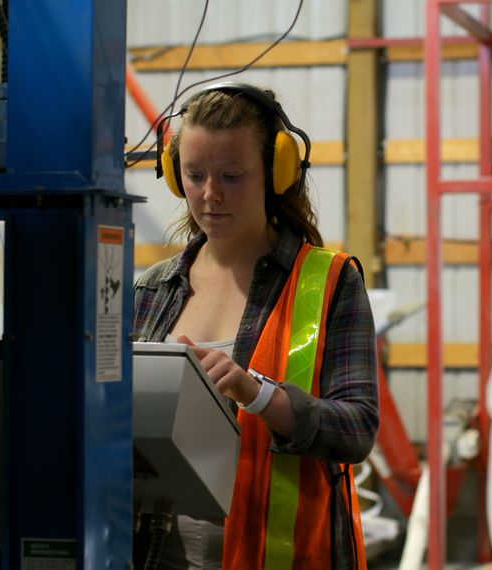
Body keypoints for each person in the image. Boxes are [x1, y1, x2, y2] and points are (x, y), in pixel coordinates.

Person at [132, 83, 378, 569]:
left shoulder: (329, 282)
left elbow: (357, 429)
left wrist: (259, 395)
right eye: (195, 175)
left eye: (232, 175)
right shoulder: (152, 290)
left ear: (277, 172)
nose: (210, 194)